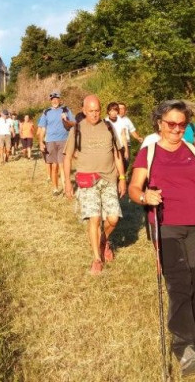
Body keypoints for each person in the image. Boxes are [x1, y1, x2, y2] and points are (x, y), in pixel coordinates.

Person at [128, 99, 195, 375]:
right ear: (159, 124)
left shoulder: (194, 152)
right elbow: (134, 187)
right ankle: (184, 346)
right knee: (179, 282)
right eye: (171, 123)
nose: (176, 129)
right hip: (166, 224)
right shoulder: (148, 153)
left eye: (181, 124)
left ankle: (188, 327)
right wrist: (143, 196)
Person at [64, 95, 126, 275]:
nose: (94, 114)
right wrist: (68, 181)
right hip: (87, 180)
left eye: (97, 110)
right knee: (95, 218)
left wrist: (122, 178)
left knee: (113, 218)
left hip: (109, 178)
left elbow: (117, 155)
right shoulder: (76, 130)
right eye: (90, 111)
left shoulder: (108, 127)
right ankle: (97, 258)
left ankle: (103, 240)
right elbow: (67, 156)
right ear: (84, 111)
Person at [38, 90, 75, 196]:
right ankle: (55, 188)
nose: (54, 101)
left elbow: (73, 124)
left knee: (63, 165)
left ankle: (65, 188)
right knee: (54, 166)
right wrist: (41, 142)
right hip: (50, 141)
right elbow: (43, 128)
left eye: (56, 99)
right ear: (50, 101)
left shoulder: (66, 110)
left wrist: (66, 119)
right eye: (52, 99)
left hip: (64, 140)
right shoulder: (46, 112)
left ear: (60, 100)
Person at [105, 102, 130, 170]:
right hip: (111, 148)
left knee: (125, 165)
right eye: (111, 110)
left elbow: (123, 135)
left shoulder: (121, 121)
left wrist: (126, 150)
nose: (113, 112)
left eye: (115, 110)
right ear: (108, 112)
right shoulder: (105, 122)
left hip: (121, 147)